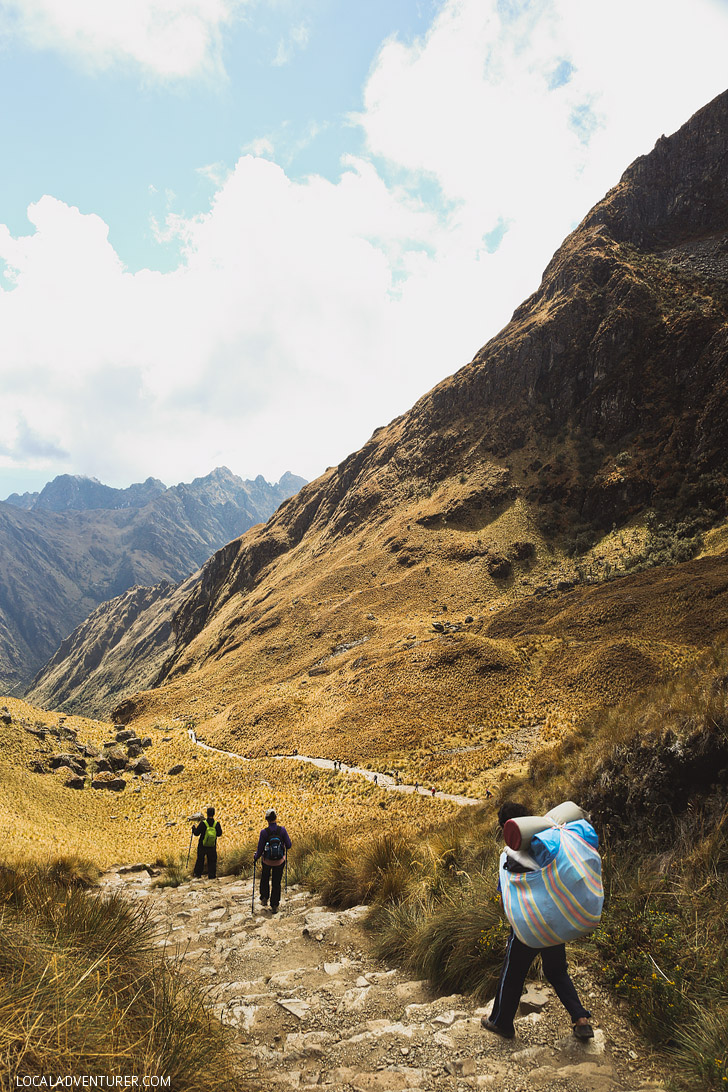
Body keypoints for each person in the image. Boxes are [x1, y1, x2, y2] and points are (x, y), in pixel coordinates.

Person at [482, 801, 594, 1041]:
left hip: (529, 927)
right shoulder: (550, 843)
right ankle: (580, 1019)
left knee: (512, 972)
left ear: (507, 827)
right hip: (555, 921)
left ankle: (500, 1022)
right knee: (556, 971)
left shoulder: (510, 856)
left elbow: (506, 898)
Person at [253, 808, 292, 913]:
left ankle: (264, 897)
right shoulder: (282, 830)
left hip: (267, 861)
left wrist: (255, 857)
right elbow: (289, 845)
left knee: (265, 878)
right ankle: (274, 904)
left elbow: (260, 849)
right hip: (279, 861)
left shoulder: (264, 832)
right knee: (276, 882)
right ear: (276, 818)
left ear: (266, 819)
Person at [192, 806, 222, 880]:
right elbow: (219, 834)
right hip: (212, 845)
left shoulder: (203, 823)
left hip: (202, 845)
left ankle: (198, 874)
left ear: (207, 814)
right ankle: (212, 875)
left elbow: (196, 833)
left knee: (200, 859)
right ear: (214, 814)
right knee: (212, 860)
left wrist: (193, 829)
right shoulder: (216, 824)